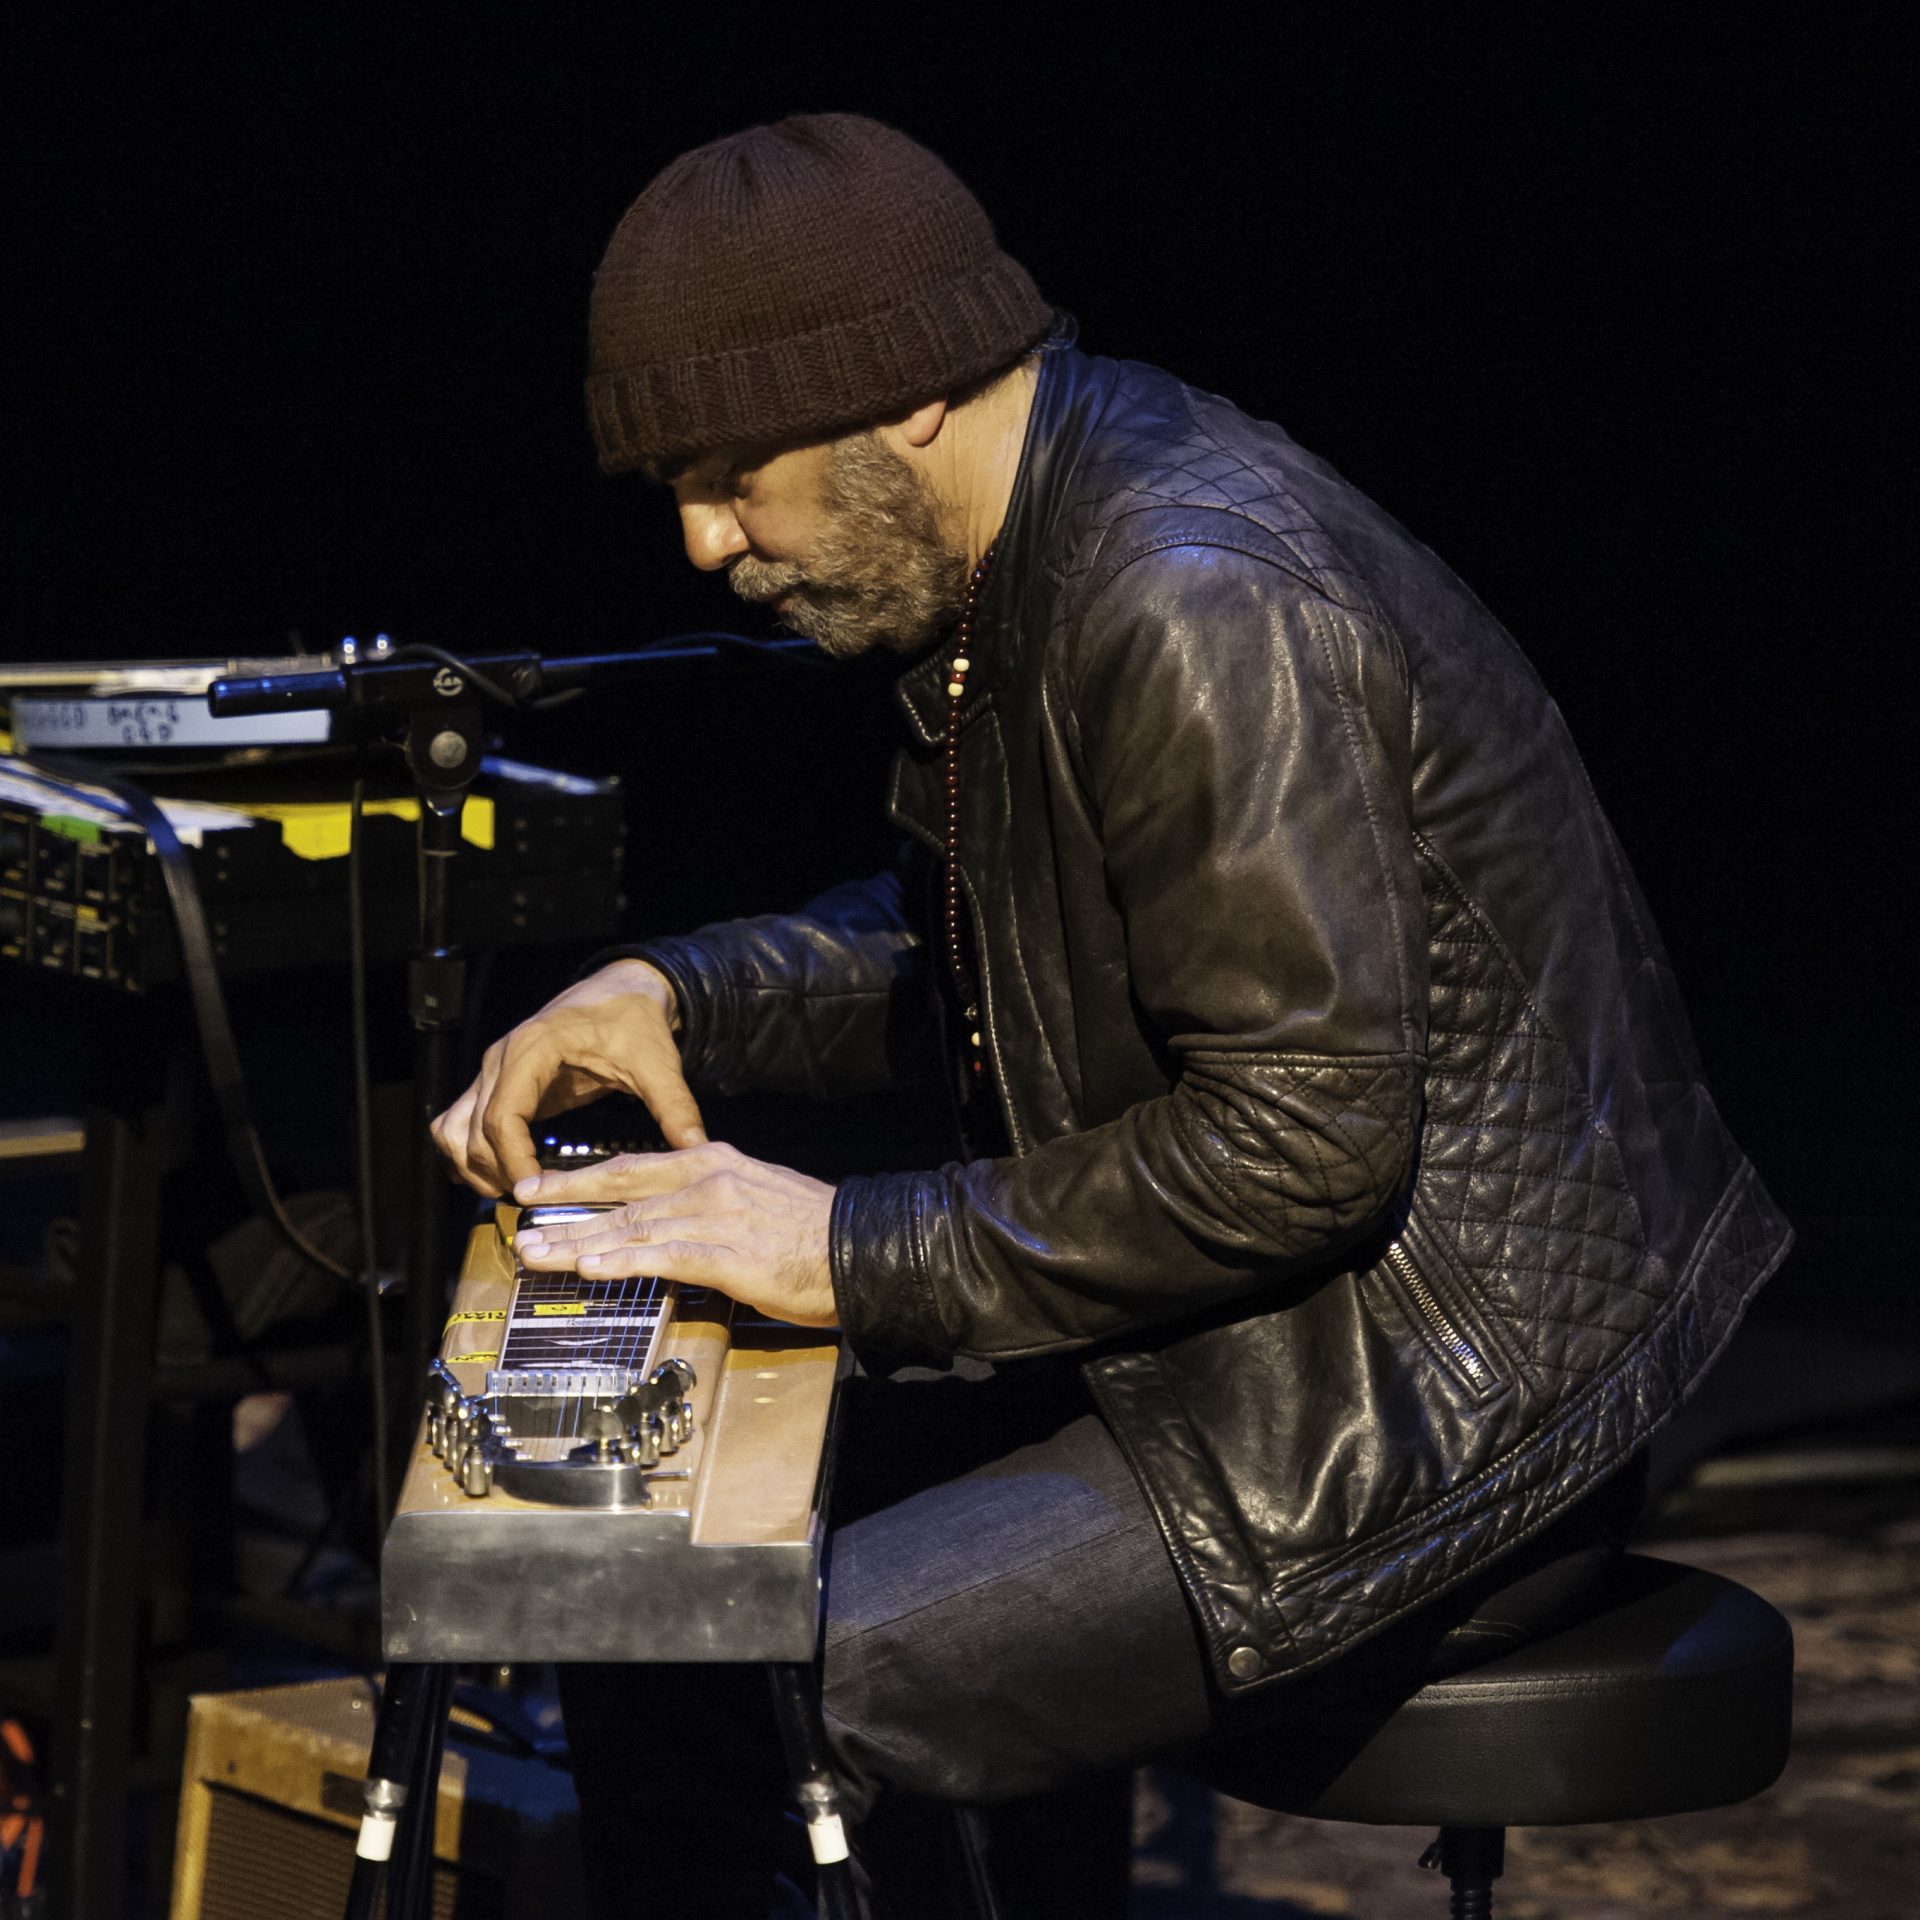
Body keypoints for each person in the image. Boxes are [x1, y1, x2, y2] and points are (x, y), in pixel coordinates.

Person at [430, 114, 1791, 1917]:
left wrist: (847, 1244)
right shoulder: (1025, 551)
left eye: (731, 474)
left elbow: (1303, 1143)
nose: (699, 541)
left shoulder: (1187, 596)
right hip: (1260, 1339)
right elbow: (983, 940)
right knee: (636, 1581)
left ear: (904, 395)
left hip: (1436, 1400)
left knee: (774, 1687)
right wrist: (670, 988)